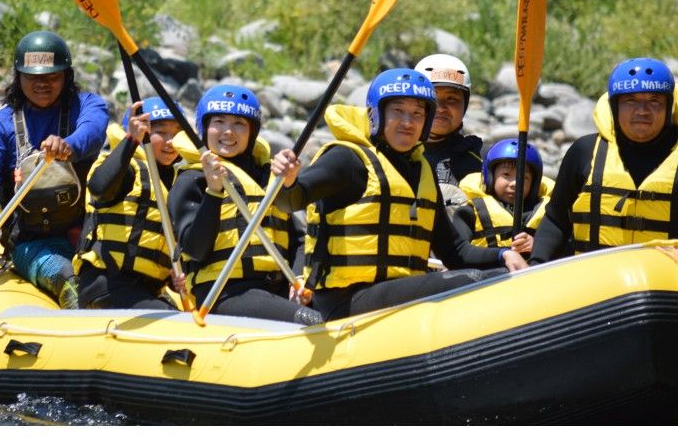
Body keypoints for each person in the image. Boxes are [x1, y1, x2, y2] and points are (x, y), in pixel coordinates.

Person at [271, 68, 527, 321]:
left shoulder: (420, 170)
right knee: (472, 282)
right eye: (398, 111)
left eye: (417, 113)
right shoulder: (347, 160)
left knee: (491, 275)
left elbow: (454, 252)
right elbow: (289, 200)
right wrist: (288, 179)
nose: (408, 122)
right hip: (345, 302)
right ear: (375, 114)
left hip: (396, 294)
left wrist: (502, 254)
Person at [0, 31, 108, 308]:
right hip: (31, 245)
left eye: (52, 76)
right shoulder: (0, 125)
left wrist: (68, 145)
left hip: (88, 240)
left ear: (67, 76)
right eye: (33, 77)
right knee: (69, 279)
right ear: (18, 77)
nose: (43, 84)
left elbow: (94, 130)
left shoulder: (88, 105)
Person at [168, 84, 323, 325]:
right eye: (219, 121)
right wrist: (214, 191)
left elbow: (299, 239)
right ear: (204, 128)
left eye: (239, 123)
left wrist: (300, 277)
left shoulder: (269, 179)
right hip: (224, 293)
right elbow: (195, 249)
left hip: (278, 288)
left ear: (252, 132)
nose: (228, 131)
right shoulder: (191, 179)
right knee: (311, 320)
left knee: (332, 312)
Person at [530, 57, 678, 263]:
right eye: (631, 101)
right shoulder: (584, 151)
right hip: (598, 283)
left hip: (664, 283)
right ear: (614, 106)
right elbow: (556, 220)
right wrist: (536, 262)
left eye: (654, 101)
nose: (642, 110)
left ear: (669, 107)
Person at [73, 98, 187, 309]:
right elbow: (99, 188)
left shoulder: (179, 182)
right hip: (107, 284)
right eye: (160, 132)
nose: (170, 141)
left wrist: (176, 278)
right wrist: (132, 140)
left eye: (177, 133)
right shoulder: (128, 168)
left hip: (147, 290)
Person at [453, 138, 553, 256]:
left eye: (524, 177)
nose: (514, 183)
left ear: (534, 184)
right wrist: (502, 255)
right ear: (490, 177)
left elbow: (568, 249)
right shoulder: (469, 213)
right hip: (488, 272)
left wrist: (540, 246)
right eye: (506, 174)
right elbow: (458, 252)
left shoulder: (550, 217)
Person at [415, 54, 483, 186]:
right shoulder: (393, 154)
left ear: (465, 105)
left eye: (451, 98)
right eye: (432, 97)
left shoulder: (479, 161)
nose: (440, 108)